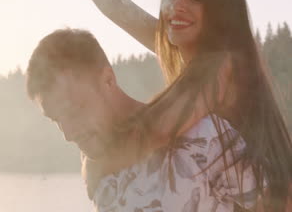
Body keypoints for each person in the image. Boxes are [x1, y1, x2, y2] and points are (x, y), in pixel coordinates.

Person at [49, 0, 292, 211]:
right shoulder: (185, 48)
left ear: (220, 10)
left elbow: (158, 129)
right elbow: (118, 7)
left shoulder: (222, 66)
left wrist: (99, 166)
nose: (178, 6)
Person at [27, 28, 261, 211]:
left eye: (74, 111)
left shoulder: (200, 135)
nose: (68, 134)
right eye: (57, 120)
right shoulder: (98, 172)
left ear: (108, 80)